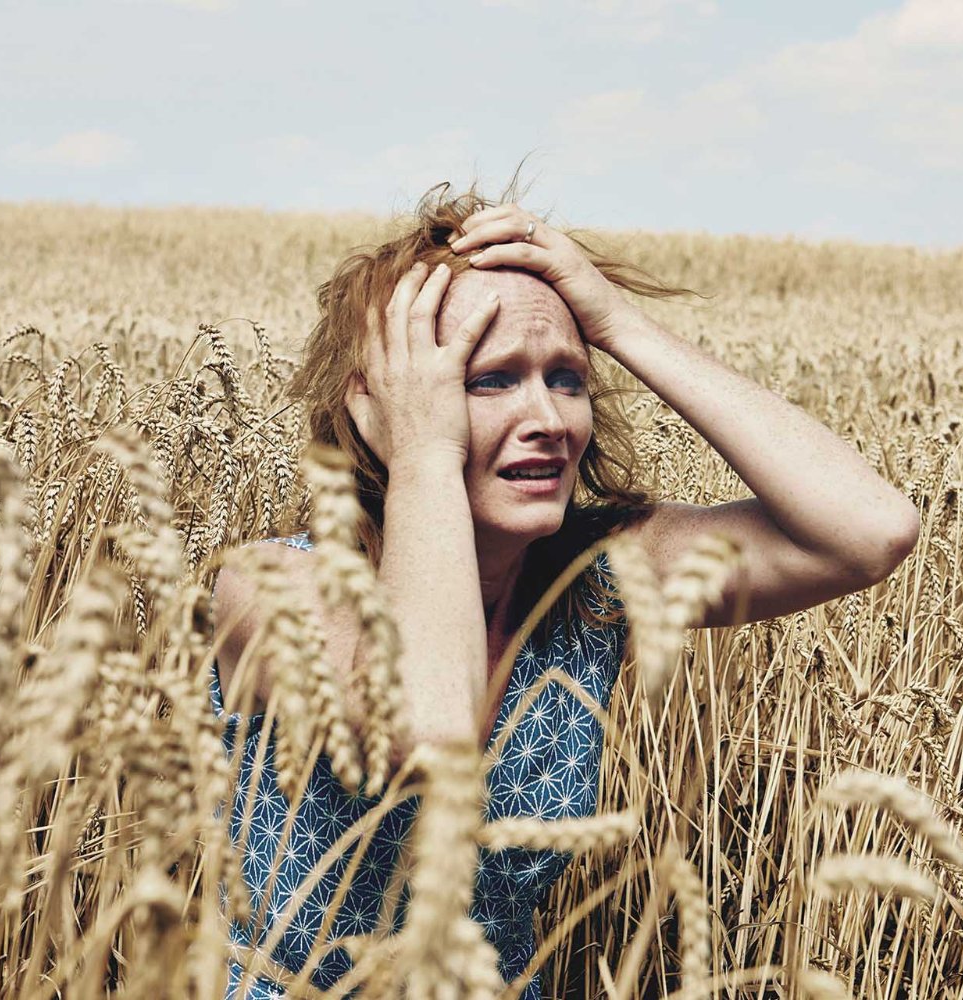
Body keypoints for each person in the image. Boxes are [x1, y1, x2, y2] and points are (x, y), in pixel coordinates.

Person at [208, 178, 921, 998]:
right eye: (489, 379)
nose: (549, 416)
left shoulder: (593, 581)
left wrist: (617, 322)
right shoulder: (272, 589)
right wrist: (427, 454)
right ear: (381, 411)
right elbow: (429, 728)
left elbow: (871, 531)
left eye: (567, 378)